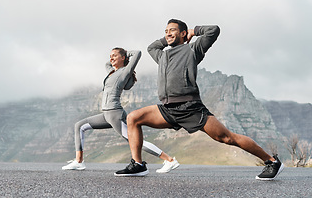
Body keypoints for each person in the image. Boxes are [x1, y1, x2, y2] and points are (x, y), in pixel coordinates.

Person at [115, 19, 284, 180]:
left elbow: (214, 30)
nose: (168, 34)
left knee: (226, 138)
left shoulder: (193, 50)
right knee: (133, 118)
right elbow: (152, 46)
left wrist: (193, 31)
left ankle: (272, 161)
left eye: (172, 30)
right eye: (165, 31)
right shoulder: (162, 55)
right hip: (167, 109)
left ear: (182, 33)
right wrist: (168, 37)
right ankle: (138, 164)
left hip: (190, 108)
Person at [62, 47, 179, 174]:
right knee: (79, 126)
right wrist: (116, 56)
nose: (111, 58)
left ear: (123, 58)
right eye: (110, 55)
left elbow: (138, 53)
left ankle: (169, 160)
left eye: (114, 56)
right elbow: (107, 63)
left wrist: (125, 54)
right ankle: (79, 162)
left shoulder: (125, 72)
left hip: (114, 114)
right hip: (106, 114)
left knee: (134, 141)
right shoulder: (112, 72)